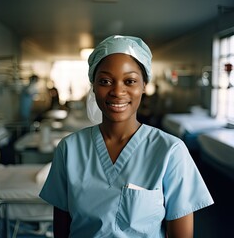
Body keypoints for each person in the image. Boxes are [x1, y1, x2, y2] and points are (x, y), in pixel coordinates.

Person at [39, 35, 214, 237]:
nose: (117, 91)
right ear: (93, 86)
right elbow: (62, 228)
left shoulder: (170, 151)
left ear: (143, 85)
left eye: (129, 81)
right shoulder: (69, 149)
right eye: (105, 81)